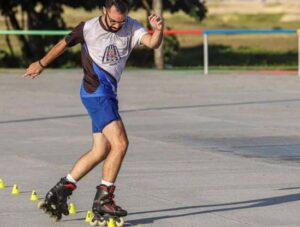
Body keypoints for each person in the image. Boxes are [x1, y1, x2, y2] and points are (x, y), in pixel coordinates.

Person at [24, 0, 164, 225]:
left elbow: (152, 43)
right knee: (120, 144)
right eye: (113, 20)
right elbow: (63, 44)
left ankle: (61, 191)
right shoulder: (88, 27)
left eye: (122, 20)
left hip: (107, 94)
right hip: (96, 92)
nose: (118, 25)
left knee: (101, 150)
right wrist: (41, 63)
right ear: (104, 11)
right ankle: (103, 200)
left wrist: (158, 30)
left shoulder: (131, 26)